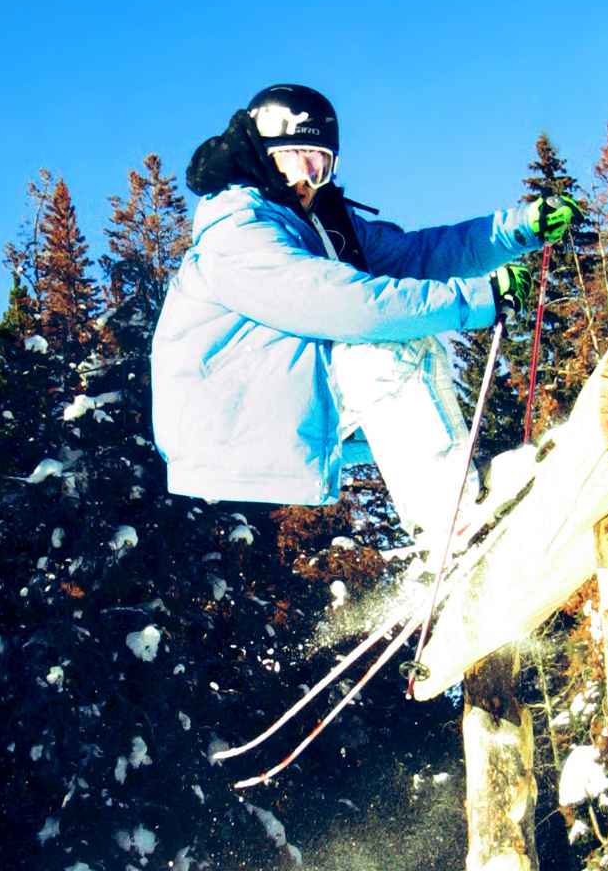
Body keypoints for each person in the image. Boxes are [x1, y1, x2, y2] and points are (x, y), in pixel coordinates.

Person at [151, 84, 581, 556]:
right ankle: (451, 525)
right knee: (391, 350)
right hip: (225, 413)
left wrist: (517, 228)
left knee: (410, 360)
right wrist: (479, 298)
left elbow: (416, 255)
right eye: (298, 163)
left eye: (321, 167)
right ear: (260, 154)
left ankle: (447, 519)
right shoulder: (237, 230)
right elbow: (344, 305)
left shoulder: (319, 220)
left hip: (282, 392)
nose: (308, 181)